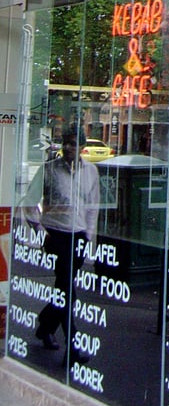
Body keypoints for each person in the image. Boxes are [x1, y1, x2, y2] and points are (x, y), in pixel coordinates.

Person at [34, 124, 100, 368]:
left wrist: (89, 237)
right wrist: (41, 232)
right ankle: (72, 347)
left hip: (78, 235)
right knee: (67, 289)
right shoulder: (50, 170)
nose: (70, 148)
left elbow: (93, 206)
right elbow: (30, 205)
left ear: (83, 147)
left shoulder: (91, 172)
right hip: (56, 235)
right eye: (67, 143)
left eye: (75, 143)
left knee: (64, 289)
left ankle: (45, 325)